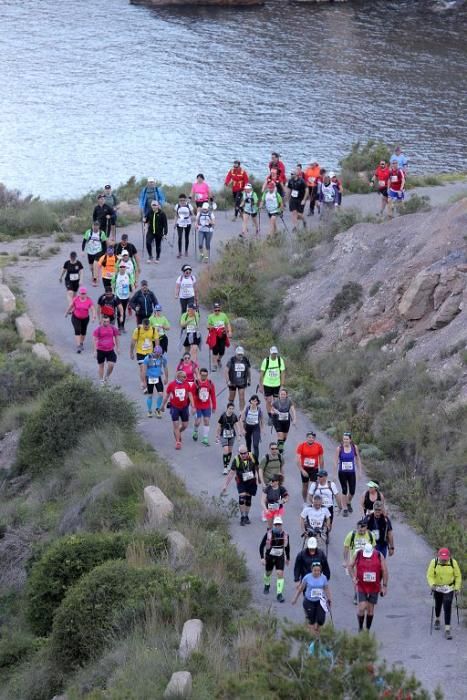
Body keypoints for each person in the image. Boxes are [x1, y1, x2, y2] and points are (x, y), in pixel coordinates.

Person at [349, 543, 388, 632]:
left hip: (374, 586)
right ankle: (360, 627)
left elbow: (385, 571)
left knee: (370, 609)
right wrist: (353, 578)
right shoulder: (358, 554)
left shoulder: (378, 555)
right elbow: (350, 565)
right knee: (362, 607)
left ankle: (367, 629)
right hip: (361, 585)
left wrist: (384, 586)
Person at [426, 548, 462, 640]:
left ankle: (447, 629)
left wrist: (457, 588)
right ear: (438, 556)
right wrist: (432, 584)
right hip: (437, 587)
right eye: (442, 558)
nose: (444, 560)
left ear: (449, 557)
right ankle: (437, 619)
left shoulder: (453, 563)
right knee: (438, 605)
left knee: (447, 605)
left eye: (446, 559)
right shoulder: (434, 562)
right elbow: (429, 575)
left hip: (449, 588)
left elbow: (458, 576)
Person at [292, 561, 332, 639]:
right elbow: (301, 588)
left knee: (321, 620)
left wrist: (329, 599)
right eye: (315, 570)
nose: (317, 572)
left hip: (320, 601)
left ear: (320, 570)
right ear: (311, 570)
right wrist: (295, 598)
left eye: (318, 570)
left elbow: (326, 588)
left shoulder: (323, 578)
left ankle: (315, 630)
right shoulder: (307, 577)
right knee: (311, 621)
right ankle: (313, 639)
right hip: (309, 601)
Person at [221, 444, 258, 525]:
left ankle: (246, 516)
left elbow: (257, 467)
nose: (243, 455)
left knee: (248, 500)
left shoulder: (253, 457)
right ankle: (242, 517)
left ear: (247, 452)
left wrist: (259, 479)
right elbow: (231, 473)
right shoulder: (236, 460)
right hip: (241, 482)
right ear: (239, 453)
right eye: (241, 453)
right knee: (242, 498)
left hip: (251, 481)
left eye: (245, 453)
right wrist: (225, 485)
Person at [161, 369, 195, 449]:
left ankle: (177, 432)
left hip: (184, 407)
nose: (186, 378)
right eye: (184, 377)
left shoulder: (187, 384)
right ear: (179, 377)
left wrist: (193, 406)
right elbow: (167, 396)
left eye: (186, 376)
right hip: (174, 407)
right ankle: (178, 442)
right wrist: (162, 406)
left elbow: (190, 395)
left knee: (185, 425)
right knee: (176, 425)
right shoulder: (172, 385)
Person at [259, 515, 290, 602]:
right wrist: (262, 558)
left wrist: (288, 558)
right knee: (268, 573)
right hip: (269, 557)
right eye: (276, 525)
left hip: (280, 557)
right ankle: (267, 584)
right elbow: (261, 546)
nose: (277, 526)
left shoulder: (285, 535)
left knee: (280, 574)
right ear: (273, 525)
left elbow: (287, 547)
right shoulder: (268, 534)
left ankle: (279, 594)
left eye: (279, 524)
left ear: (281, 525)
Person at [335, 431, 362, 517]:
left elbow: (358, 459)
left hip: (351, 472)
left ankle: (348, 502)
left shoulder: (354, 447)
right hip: (342, 472)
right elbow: (335, 461)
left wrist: (360, 471)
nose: (345, 441)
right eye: (344, 439)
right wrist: (334, 474)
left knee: (352, 491)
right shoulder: (339, 448)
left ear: (350, 440)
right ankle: (345, 508)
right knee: (344, 490)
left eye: (347, 439)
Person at [130, 317, 159, 391]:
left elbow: (156, 340)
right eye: (145, 327)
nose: (147, 328)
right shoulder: (138, 330)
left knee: (149, 369)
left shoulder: (153, 329)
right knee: (142, 368)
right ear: (142, 325)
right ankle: (144, 384)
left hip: (150, 352)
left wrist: (157, 350)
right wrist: (131, 352)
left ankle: (145, 381)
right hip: (140, 352)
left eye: (148, 327)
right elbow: (133, 342)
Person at [65, 286, 96, 353]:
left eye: (84, 293)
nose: (83, 295)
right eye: (81, 293)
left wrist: (93, 317)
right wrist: (67, 313)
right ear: (79, 293)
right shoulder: (76, 299)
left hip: (85, 318)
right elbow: (71, 306)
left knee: (83, 332)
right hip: (76, 317)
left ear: (86, 294)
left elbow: (93, 309)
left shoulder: (89, 300)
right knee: (77, 329)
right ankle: (78, 346)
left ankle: (81, 343)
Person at [296, 431, 324, 503]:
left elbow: (321, 459)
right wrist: (302, 470)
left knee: (313, 486)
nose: (310, 439)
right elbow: (297, 459)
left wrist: (322, 471)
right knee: (305, 486)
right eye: (309, 437)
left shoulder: (318, 446)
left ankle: (312, 502)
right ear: (306, 438)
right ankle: (305, 501)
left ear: (314, 438)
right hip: (304, 469)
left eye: (312, 437)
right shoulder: (301, 446)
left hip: (314, 469)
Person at [259, 346, 286, 418]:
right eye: (273, 353)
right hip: (267, 384)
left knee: (276, 401)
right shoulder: (266, 361)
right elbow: (261, 374)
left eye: (275, 353)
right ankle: (270, 416)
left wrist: (282, 385)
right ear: (270, 353)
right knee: (268, 400)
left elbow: (283, 373)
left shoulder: (280, 360)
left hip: (277, 384)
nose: (274, 355)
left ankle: (275, 413)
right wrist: (261, 386)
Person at [192, 368, 216, 446]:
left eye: (205, 375)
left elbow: (213, 395)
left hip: (206, 406)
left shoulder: (210, 383)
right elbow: (191, 395)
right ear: (200, 374)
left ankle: (205, 438)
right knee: (198, 422)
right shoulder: (196, 383)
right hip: (197, 406)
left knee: (206, 420)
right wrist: (193, 406)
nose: (204, 377)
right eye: (202, 375)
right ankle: (195, 431)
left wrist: (214, 406)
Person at [92, 315, 119, 385]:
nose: (106, 323)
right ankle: (101, 380)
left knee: (111, 364)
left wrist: (118, 347)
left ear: (109, 321)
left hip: (110, 350)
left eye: (107, 321)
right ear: (102, 321)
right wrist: (95, 351)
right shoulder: (98, 329)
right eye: (104, 321)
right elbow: (95, 340)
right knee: (101, 365)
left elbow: (116, 337)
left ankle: (106, 376)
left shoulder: (113, 328)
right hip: (100, 350)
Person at [216, 402, 241, 475]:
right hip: (223, 435)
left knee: (229, 451)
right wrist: (217, 435)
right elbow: (219, 426)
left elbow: (237, 425)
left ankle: (228, 464)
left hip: (232, 435)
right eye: (230, 408)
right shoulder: (223, 416)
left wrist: (239, 435)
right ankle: (225, 467)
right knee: (226, 450)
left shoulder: (234, 416)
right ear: (227, 408)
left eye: (232, 409)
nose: (231, 410)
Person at [143, 345, 168, 418]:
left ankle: (157, 409)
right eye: (157, 354)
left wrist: (166, 377)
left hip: (157, 377)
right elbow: (144, 371)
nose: (158, 355)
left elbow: (165, 368)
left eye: (160, 354)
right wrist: (144, 382)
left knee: (160, 394)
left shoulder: (163, 358)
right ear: (154, 352)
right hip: (149, 378)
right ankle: (149, 410)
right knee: (150, 395)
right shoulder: (147, 358)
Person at [206, 301, 232, 371]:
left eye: (218, 310)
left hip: (222, 335)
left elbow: (228, 323)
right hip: (214, 335)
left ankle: (219, 359)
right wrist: (211, 327)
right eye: (215, 310)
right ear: (213, 310)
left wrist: (230, 331)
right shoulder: (210, 316)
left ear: (220, 309)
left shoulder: (223, 315)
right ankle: (214, 364)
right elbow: (208, 326)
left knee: (222, 351)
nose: (217, 311)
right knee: (215, 351)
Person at [224, 346, 251, 411]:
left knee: (242, 397)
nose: (240, 356)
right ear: (236, 354)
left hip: (242, 382)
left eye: (241, 354)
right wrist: (228, 381)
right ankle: (230, 409)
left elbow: (248, 370)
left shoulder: (246, 360)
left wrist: (249, 379)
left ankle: (242, 412)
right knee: (231, 397)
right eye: (238, 354)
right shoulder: (231, 360)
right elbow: (226, 371)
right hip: (232, 382)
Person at [271, 387, 296, 455]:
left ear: (286, 395)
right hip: (277, 420)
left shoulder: (289, 401)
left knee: (284, 437)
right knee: (280, 435)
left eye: (284, 394)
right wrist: (273, 412)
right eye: (281, 394)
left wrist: (294, 419)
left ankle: (279, 445)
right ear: (279, 395)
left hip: (286, 421)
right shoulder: (276, 402)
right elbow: (272, 410)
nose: (282, 396)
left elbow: (293, 410)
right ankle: (280, 451)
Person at [82, 221, 107, 286]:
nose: (95, 227)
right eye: (94, 226)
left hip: (98, 251)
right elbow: (84, 241)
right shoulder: (88, 232)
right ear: (92, 226)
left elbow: (104, 244)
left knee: (95, 265)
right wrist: (82, 251)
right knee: (91, 267)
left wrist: (104, 253)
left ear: (99, 226)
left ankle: (95, 280)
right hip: (90, 252)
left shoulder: (102, 233)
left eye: (96, 226)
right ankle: (94, 275)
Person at [111, 262, 134, 332]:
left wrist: (132, 294)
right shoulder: (116, 275)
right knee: (119, 311)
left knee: (123, 312)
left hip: (126, 297)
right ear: (119, 268)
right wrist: (113, 293)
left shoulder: (128, 275)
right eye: (121, 267)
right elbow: (112, 284)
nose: (122, 268)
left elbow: (132, 284)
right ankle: (119, 327)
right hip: (118, 296)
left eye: (124, 267)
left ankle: (122, 326)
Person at [240, 394, 264, 461]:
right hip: (248, 427)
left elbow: (261, 419)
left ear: (257, 402)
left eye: (256, 401)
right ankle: (249, 459)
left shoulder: (259, 410)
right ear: (250, 401)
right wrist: (242, 429)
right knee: (248, 444)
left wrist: (262, 429)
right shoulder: (247, 408)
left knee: (256, 445)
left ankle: (256, 461)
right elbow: (241, 419)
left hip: (256, 428)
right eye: (253, 401)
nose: (254, 402)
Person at [174, 194, 194, 259]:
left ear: (185, 200)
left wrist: (194, 218)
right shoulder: (177, 206)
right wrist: (175, 223)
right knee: (180, 237)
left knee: (186, 237)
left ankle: (186, 251)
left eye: (183, 200)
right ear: (179, 200)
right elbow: (176, 215)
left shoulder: (189, 205)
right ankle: (179, 252)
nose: (182, 201)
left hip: (187, 222)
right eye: (181, 200)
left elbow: (192, 214)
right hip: (179, 222)